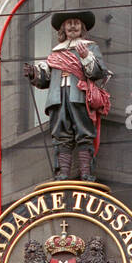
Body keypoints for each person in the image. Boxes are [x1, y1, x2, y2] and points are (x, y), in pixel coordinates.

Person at [23, 10, 112, 181]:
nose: (72, 26)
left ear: (82, 27)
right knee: (60, 134)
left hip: (79, 96)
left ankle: (86, 173)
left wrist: (86, 56)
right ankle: (62, 173)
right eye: (69, 23)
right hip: (57, 98)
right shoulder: (56, 53)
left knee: (84, 133)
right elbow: (45, 77)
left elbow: (98, 72)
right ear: (63, 27)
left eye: (76, 23)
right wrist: (34, 73)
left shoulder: (89, 47)